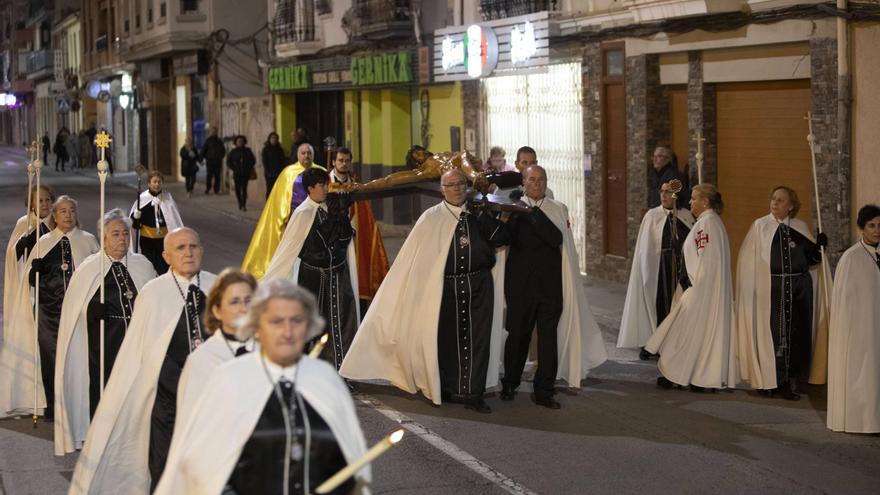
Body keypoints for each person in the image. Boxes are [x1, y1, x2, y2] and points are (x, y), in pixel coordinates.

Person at [154, 279, 370, 495]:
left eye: (296, 320)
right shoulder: (229, 378)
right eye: (276, 321)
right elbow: (202, 461)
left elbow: (349, 460)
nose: (287, 331)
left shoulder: (325, 380)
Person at [341, 169, 510, 413]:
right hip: (445, 288)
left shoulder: (478, 214)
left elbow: (502, 238)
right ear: (442, 189)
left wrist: (483, 215)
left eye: (461, 184)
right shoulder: (431, 218)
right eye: (451, 185)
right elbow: (415, 260)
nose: (457, 188)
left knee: (478, 340)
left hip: (479, 286)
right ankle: (450, 388)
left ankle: (474, 393)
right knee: (446, 339)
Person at [70, 228, 217, 493]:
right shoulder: (153, 293)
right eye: (181, 248)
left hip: (208, 394)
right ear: (166, 256)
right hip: (166, 395)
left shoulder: (218, 288)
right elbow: (138, 351)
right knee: (163, 462)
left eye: (193, 246)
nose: (188, 253)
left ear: (202, 251)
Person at [500, 165, 607, 409]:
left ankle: (544, 390)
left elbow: (556, 238)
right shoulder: (513, 210)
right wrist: (506, 213)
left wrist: (530, 212)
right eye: (532, 179)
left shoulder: (558, 209)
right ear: (524, 183)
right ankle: (510, 383)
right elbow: (502, 239)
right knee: (518, 336)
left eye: (541, 179)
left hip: (550, 287)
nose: (537, 183)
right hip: (520, 287)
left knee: (548, 340)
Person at [53, 209, 156, 455]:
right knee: (106, 389)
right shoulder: (90, 268)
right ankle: (103, 438)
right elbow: (73, 313)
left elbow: (156, 301)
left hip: (137, 341)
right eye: (116, 234)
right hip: (103, 343)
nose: (122, 239)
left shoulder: (142, 264)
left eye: (125, 233)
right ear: (104, 238)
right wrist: (90, 310)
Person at [0, 196, 99, 420]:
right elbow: (29, 281)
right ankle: (54, 406)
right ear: (55, 216)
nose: (67, 215)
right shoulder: (43, 242)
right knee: (51, 358)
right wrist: (35, 271)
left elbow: (98, 275)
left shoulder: (89, 240)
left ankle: (79, 403)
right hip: (48, 313)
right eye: (62, 211)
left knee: (79, 358)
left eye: (71, 210)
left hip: (79, 313)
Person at [735, 186, 827, 400]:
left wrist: (818, 248)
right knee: (774, 337)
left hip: (799, 289)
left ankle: (790, 382)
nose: (775, 202)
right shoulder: (760, 226)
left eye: (781, 200)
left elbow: (812, 261)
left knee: (797, 335)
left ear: (791, 205)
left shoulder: (800, 227)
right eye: (773, 198)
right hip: (772, 291)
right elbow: (748, 264)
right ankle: (770, 380)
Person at [264, 168, 359, 370]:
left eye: (327, 183)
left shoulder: (330, 207)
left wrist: (342, 216)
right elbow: (316, 246)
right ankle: (316, 371)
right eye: (322, 185)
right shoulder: (303, 214)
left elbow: (344, 240)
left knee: (345, 323)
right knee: (316, 326)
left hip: (338, 276)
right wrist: (334, 219)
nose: (326, 188)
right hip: (315, 280)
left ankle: (344, 370)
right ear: (310, 189)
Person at [645, 184, 737, 391]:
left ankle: (680, 375)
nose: (689, 202)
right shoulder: (708, 222)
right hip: (702, 288)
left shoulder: (708, 224)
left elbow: (707, 261)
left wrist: (693, 283)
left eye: (694, 198)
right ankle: (694, 375)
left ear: (705, 202)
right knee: (689, 333)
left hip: (700, 289)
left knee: (683, 333)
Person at [618, 181, 695, 360]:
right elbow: (645, 249)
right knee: (658, 305)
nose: (663, 195)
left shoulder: (686, 215)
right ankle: (655, 342)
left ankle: (675, 343)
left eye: (668, 192)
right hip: (658, 269)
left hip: (680, 270)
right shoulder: (652, 216)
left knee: (678, 306)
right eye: (661, 191)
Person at [175, 268, 256, 428]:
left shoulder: (269, 350)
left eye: (248, 301)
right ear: (217, 310)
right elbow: (190, 424)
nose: (243, 308)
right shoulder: (202, 360)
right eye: (234, 302)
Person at [827, 204, 880, 433]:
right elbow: (843, 304)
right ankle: (861, 421)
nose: (877, 230)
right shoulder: (851, 258)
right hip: (860, 331)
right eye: (871, 226)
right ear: (861, 228)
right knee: (863, 377)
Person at [241, 142, 325, 278]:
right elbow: (280, 201)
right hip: (294, 220)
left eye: (309, 153)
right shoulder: (288, 173)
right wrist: (284, 219)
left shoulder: (321, 171)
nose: (306, 156)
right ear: (298, 155)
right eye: (303, 153)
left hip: (317, 218)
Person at [328, 146, 390, 301]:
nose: (344, 164)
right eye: (340, 160)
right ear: (334, 162)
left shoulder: (356, 187)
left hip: (353, 239)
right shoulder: (326, 186)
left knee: (354, 274)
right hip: (331, 240)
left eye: (347, 161)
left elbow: (364, 215)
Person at [4, 185, 55, 340]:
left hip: (52, 284)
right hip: (29, 283)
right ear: (32, 204)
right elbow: (12, 254)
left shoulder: (57, 221)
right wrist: (22, 244)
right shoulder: (24, 223)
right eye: (40, 200)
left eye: (47, 200)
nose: (45, 204)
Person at [130, 171, 184, 274]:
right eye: (154, 182)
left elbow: (174, 220)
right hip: (147, 242)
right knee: (149, 268)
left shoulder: (167, 198)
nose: (157, 184)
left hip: (163, 241)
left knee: (164, 268)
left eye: (159, 182)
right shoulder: (142, 199)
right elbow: (135, 226)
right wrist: (135, 217)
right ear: (149, 183)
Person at [227, 135, 257, 211]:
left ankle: (244, 204)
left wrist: (248, 166)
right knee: (237, 189)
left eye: (241, 141)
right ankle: (239, 202)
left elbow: (253, 160)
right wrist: (234, 168)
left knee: (244, 189)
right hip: (237, 173)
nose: (240, 143)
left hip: (245, 173)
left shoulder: (247, 150)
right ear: (236, 143)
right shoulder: (233, 151)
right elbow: (228, 162)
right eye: (238, 141)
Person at [201, 126, 226, 195]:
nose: (214, 132)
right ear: (210, 132)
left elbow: (223, 150)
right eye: (212, 131)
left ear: (216, 132)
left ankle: (216, 190)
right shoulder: (208, 141)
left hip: (218, 161)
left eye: (215, 131)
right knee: (209, 176)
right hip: (210, 160)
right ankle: (208, 188)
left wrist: (220, 156)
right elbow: (203, 150)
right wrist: (201, 159)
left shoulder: (219, 141)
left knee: (217, 176)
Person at [262, 131, 287, 198]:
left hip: (279, 172)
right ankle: (268, 206)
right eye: (272, 138)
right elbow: (265, 162)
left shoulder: (280, 149)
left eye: (275, 138)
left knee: (278, 190)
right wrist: (268, 172)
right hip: (269, 173)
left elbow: (283, 161)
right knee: (269, 190)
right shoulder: (266, 149)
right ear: (269, 139)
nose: (274, 139)